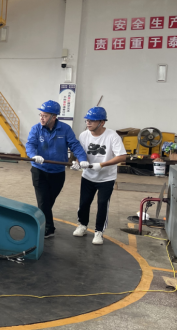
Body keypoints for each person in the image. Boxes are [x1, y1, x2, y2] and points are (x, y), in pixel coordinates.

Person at [26, 100, 88, 238]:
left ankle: (41, 222)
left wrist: (82, 159)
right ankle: (48, 229)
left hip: (57, 172)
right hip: (39, 170)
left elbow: (75, 145)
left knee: (48, 201)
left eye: (45, 116)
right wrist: (33, 155)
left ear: (54, 117)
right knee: (43, 200)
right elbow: (30, 144)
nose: (41, 118)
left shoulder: (65, 129)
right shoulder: (36, 129)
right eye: (40, 115)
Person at [71, 107, 127, 245]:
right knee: (84, 203)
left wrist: (102, 165)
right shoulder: (84, 135)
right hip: (88, 176)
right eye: (87, 120)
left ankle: (99, 232)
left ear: (102, 122)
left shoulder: (112, 136)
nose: (88, 123)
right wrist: (78, 162)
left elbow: (122, 156)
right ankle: (82, 225)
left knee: (102, 204)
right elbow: (80, 153)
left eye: (92, 121)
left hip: (106, 178)